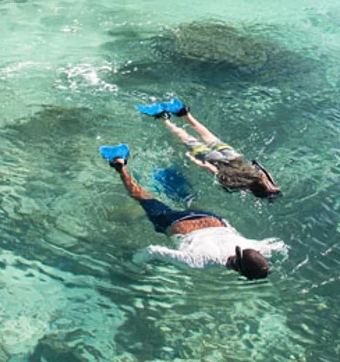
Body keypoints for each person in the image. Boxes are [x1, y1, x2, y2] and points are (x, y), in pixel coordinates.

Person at [104, 147, 282, 278]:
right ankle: (120, 165)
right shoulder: (199, 262)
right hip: (177, 224)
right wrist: (133, 265)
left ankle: (171, 173)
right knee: (141, 196)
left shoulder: (257, 247)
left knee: (190, 201)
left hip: (212, 220)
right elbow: (153, 250)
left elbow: (279, 245)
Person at [143, 100, 281, 198]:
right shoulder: (236, 185)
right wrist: (194, 160)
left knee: (208, 135)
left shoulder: (262, 175)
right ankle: (164, 118)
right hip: (215, 160)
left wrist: (272, 188)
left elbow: (256, 165)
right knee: (188, 139)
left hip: (234, 156)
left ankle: (185, 113)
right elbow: (211, 169)